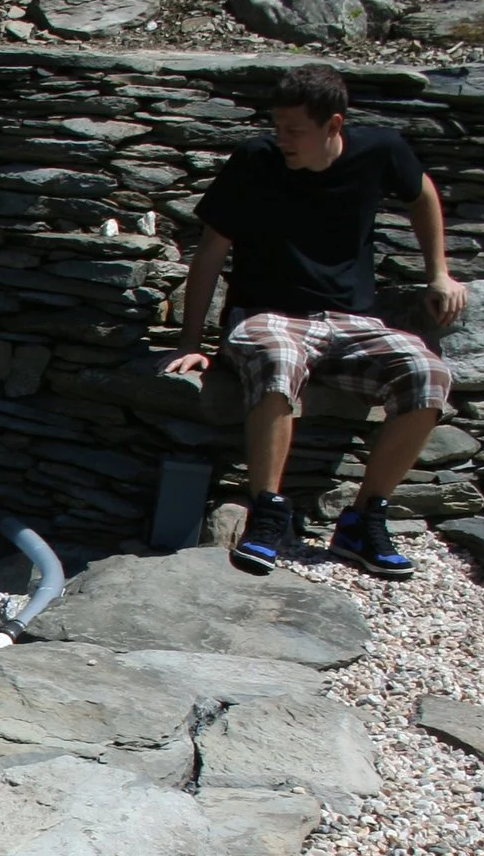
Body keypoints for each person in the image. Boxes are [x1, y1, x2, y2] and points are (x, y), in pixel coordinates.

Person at [163, 63, 467, 580]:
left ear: (334, 125)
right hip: (267, 314)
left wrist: (439, 272)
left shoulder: (380, 151)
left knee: (430, 374)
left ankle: (365, 516)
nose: (282, 139)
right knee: (278, 361)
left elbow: (422, 195)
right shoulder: (256, 161)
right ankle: (268, 511)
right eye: (277, 126)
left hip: (352, 319)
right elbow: (211, 251)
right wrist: (193, 341)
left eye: (294, 130)